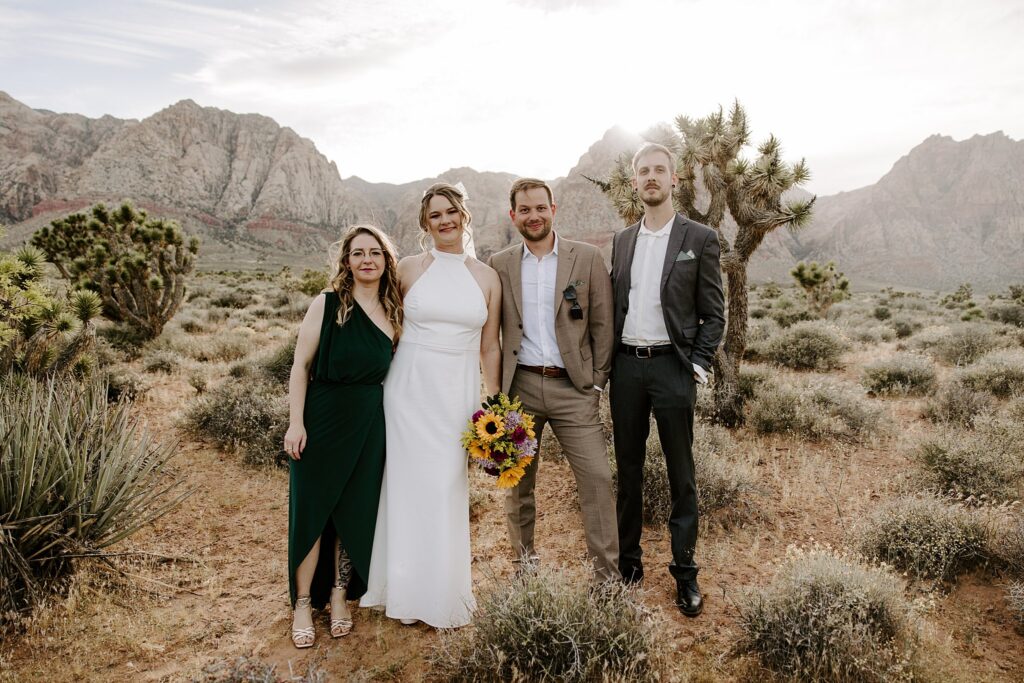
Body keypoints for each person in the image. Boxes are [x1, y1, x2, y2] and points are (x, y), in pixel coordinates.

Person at [360, 182, 502, 628]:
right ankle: (400, 590)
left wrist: (493, 405)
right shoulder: (406, 270)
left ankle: (442, 593)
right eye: (435, 215)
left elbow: (491, 347)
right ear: (425, 223)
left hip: (457, 394)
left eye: (451, 211)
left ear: (464, 215)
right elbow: (383, 326)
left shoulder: (486, 277)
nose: (444, 220)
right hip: (408, 390)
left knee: (445, 488)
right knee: (404, 488)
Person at [610, 142, 725, 617]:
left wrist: (696, 365)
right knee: (629, 472)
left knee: (682, 475)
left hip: (672, 368)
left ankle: (685, 572)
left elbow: (715, 314)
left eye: (660, 170)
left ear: (674, 179)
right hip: (626, 369)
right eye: (644, 171)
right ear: (634, 182)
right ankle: (629, 566)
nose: (652, 177)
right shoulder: (621, 240)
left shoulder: (699, 238)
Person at [488, 178, 619, 582]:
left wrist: (596, 382)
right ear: (513, 216)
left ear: (553, 209)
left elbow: (603, 322)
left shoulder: (587, 257)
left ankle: (607, 580)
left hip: (574, 390)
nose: (533, 216)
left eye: (540, 208)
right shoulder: (500, 264)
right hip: (520, 390)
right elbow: (490, 333)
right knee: (518, 485)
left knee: (596, 479)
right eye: (524, 210)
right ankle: (525, 571)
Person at [284, 224, 402, 648]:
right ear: (347, 261)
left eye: (375, 252)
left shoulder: (395, 310)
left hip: (370, 423)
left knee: (354, 512)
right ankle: (301, 603)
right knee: (312, 513)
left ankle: (338, 596)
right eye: (358, 253)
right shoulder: (328, 303)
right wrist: (296, 423)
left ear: (386, 260)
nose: (366, 259)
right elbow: (300, 366)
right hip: (322, 417)